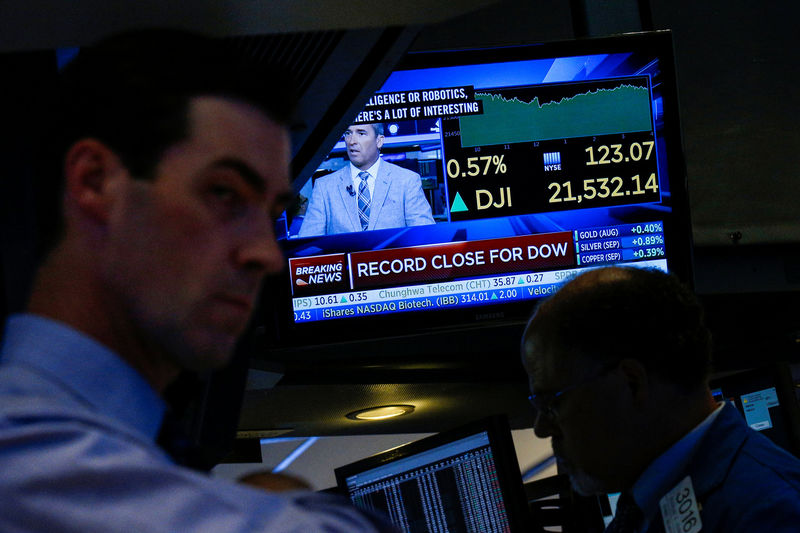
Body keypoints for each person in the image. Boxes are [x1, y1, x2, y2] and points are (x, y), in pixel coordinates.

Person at [0, 30, 394, 532]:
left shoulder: (117, 453)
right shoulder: (27, 457)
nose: (266, 257)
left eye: (272, 213)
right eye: (225, 195)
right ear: (95, 181)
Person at [521, 266, 800, 533]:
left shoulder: (771, 515)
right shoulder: (653, 494)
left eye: (551, 403)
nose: (541, 428)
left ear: (631, 383)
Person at [298, 123, 434, 236]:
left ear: (379, 141)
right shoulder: (325, 187)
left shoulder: (406, 181)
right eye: (348, 133)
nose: (352, 141)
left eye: (361, 133)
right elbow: (308, 245)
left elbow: (426, 237)